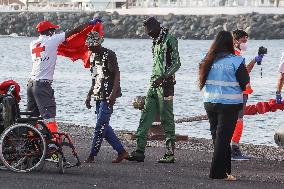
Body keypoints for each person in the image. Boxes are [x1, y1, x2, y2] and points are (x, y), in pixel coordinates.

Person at [27, 19, 99, 136]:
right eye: (53, 30)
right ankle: (53, 142)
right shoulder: (52, 40)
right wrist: (89, 23)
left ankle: (30, 140)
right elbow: (74, 31)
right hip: (42, 85)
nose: (55, 32)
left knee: (31, 116)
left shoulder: (33, 44)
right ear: (49, 31)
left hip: (30, 84)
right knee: (49, 115)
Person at [127, 17, 181, 163]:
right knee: (145, 117)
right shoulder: (155, 41)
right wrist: (155, 81)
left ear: (156, 27)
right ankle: (139, 151)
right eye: (146, 32)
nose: (148, 34)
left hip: (166, 86)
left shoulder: (170, 40)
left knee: (166, 119)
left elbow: (177, 63)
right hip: (153, 85)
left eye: (149, 31)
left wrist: (163, 78)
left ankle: (170, 153)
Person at [199, 31, 250, 180]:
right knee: (223, 138)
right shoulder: (236, 60)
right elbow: (244, 82)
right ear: (230, 43)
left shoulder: (208, 59)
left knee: (218, 137)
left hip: (209, 102)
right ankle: (217, 173)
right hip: (228, 104)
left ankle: (226, 170)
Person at [84, 30, 129, 163]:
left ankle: (92, 155)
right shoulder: (92, 57)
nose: (89, 47)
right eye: (88, 45)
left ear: (97, 44)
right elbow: (95, 78)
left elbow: (117, 75)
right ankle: (122, 152)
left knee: (100, 126)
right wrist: (89, 95)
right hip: (98, 95)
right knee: (104, 126)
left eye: (91, 45)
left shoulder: (109, 54)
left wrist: (113, 94)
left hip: (108, 96)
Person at [231, 29, 264, 160]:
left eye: (246, 41)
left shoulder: (236, 55)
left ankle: (231, 147)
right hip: (239, 93)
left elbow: (245, 71)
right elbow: (243, 74)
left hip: (239, 92)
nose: (245, 43)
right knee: (238, 120)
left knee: (235, 120)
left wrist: (255, 60)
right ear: (235, 41)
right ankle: (234, 149)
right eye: (243, 41)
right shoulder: (235, 56)